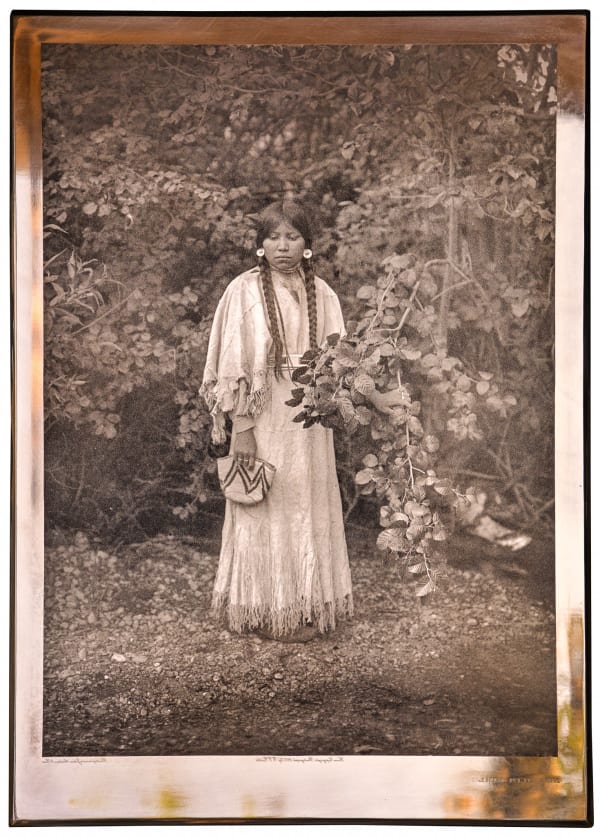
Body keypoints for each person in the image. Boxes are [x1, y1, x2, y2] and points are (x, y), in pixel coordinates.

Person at [201, 199, 353, 642]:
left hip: (308, 420)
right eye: (273, 237)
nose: (282, 246)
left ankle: (302, 605)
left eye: (292, 237)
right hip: (262, 416)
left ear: (307, 245)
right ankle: (259, 610)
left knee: (305, 503)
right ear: (260, 244)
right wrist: (242, 431)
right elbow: (234, 366)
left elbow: (339, 358)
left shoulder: (322, 293)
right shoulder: (243, 291)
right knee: (263, 504)